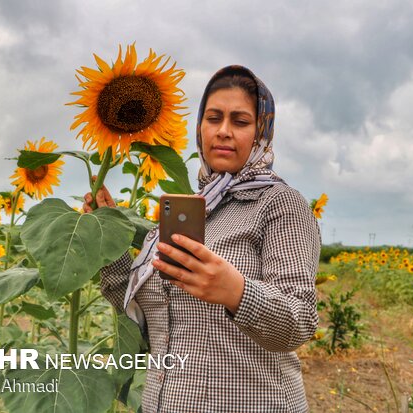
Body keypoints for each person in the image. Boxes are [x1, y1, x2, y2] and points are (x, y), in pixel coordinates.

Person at [83, 65, 321, 412]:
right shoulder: (188, 213)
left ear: (261, 132)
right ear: (200, 128)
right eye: (213, 118)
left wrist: (235, 291)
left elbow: (299, 321)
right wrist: (106, 238)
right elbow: (144, 308)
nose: (223, 131)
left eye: (240, 121)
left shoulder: (279, 204)